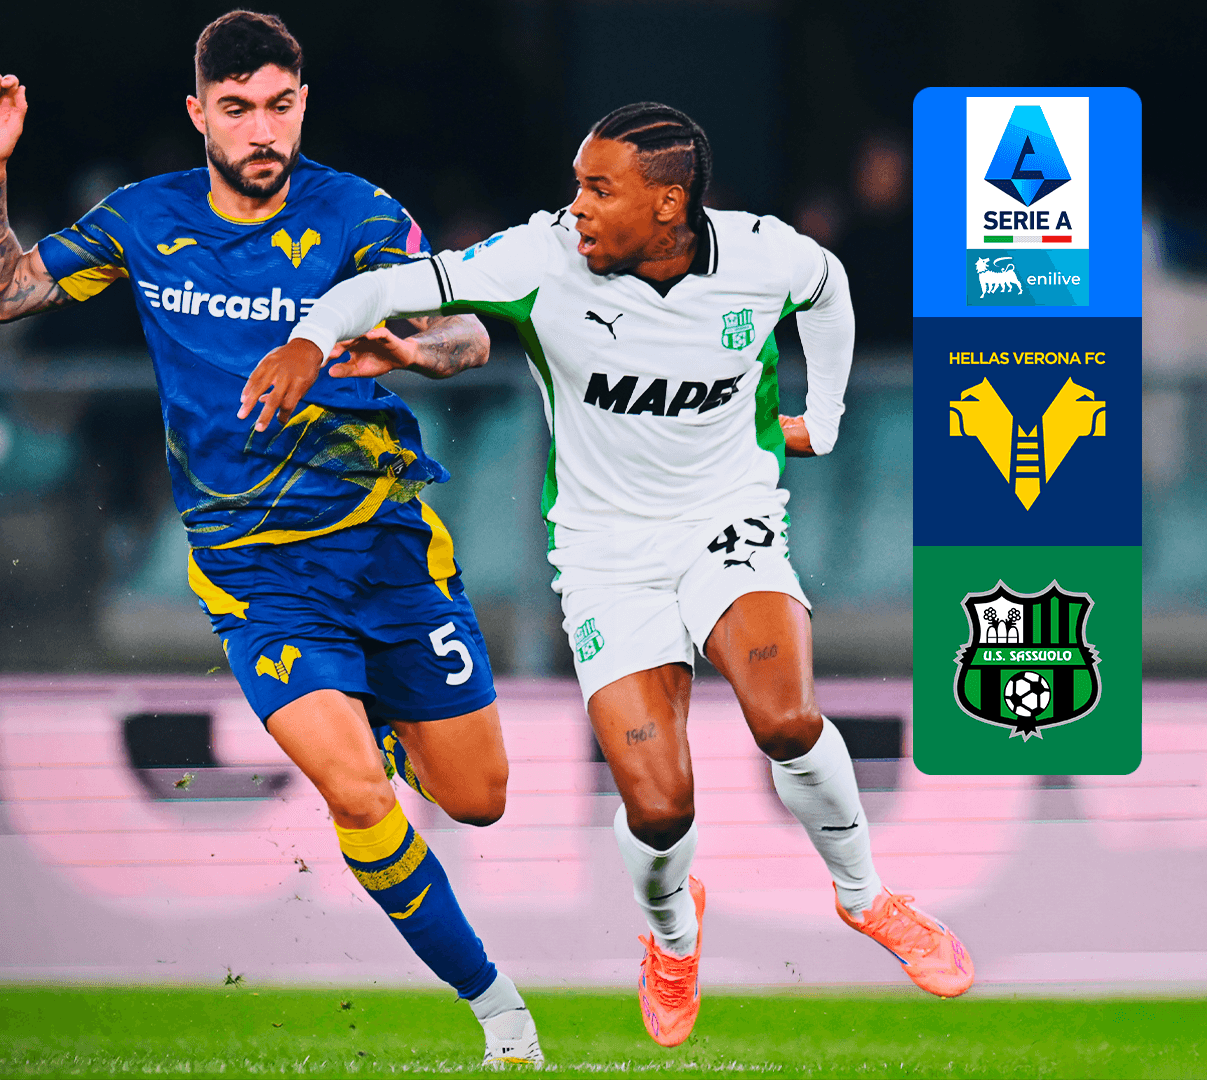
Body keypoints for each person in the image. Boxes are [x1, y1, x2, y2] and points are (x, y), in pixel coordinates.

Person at [248, 101, 973, 1049]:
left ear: (667, 204)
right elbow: (383, 287)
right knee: (661, 806)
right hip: (604, 557)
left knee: (787, 718)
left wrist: (825, 416)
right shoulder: (541, 259)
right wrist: (310, 340)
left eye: (599, 188)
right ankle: (672, 937)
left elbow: (828, 285)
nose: (577, 207)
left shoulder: (762, 256)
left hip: (729, 521)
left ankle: (865, 896)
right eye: (577, 185)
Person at [0, 11, 542, 1066]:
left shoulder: (360, 214)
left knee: (480, 799)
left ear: (303, 104)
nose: (261, 129)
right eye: (237, 109)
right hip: (255, 571)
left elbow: (467, 332)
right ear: (199, 113)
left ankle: (382, 724)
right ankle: (499, 1008)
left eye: (278, 106)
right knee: (355, 792)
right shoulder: (145, 219)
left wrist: (409, 349)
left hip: (386, 546)